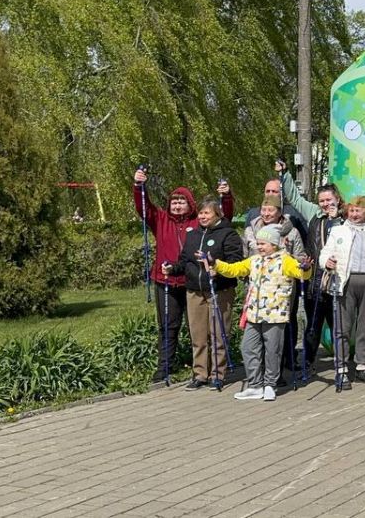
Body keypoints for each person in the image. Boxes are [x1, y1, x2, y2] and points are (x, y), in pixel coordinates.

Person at [132, 167, 234, 383]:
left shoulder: (198, 222)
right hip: (166, 280)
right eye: (174, 202)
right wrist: (139, 186)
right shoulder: (160, 219)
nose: (177, 205)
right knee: (168, 325)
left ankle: (205, 369)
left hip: (192, 282)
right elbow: (144, 208)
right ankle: (165, 367)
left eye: (182, 201)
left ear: (190, 204)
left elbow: (223, 217)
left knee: (198, 328)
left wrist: (225, 197)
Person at [211, 225, 312, 401]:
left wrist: (305, 268)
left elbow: (301, 274)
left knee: (272, 350)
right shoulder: (254, 260)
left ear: (274, 244)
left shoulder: (285, 260)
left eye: (263, 243)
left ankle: (270, 385)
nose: (259, 246)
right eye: (258, 243)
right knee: (248, 348)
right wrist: (216, 264)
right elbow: (234, 269)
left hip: (275, 315)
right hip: (254, 314)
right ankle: (255, 385)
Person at [165, 197, 243, 391]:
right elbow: (184, 261)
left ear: (217, 214)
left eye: (207, 212)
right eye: (200, 213)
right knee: (198, 335)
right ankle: (200, 374)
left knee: (218, 333)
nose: (202, 216)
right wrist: (172, 269)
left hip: (219, 290)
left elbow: (235, 262)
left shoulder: (228, 234)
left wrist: (218, 269)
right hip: (194, 291)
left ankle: (218, 374)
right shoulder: (193, 235)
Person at [320, 196, 365, 388]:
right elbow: (326, 252)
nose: (354, 214)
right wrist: (327, 262)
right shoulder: (338, 230)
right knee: (342, 327)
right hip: (345, 281)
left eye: (358, 211)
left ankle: (362, 365)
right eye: (351, 210)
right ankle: (342, 368)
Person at [279, 168, 344, 369]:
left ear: (338, 200)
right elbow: (295, 199)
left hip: (337, 281)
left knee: (338, 326)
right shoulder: (314, 214)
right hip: (315, 281)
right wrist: (285, 175)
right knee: (313, 325)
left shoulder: (346, 218)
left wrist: (336, 219)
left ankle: (341, 362)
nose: (325, 204)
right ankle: (307, 360)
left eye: (328, 200)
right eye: (322, 201)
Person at [244, 172, 307, 244]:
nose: (270, 194)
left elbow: (304, 239)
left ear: (282, 193)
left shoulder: (294, 212)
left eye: (274, 191)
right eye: (268, 191)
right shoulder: (253, 214)